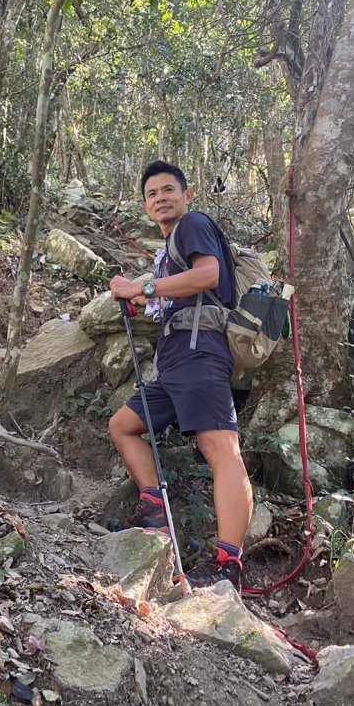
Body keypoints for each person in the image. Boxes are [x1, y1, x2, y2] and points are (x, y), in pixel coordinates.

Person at [108, 160, 253, 592]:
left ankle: (229, 563)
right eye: (152, 194)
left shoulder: (192, 224)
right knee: (124, 426)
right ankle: (154, 506)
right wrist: (144, 301)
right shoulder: (169, 251)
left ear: (187, 195)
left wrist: (143, 287)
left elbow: (209, 275)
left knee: (220, 448)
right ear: (145, 205)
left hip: (200, 352)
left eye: (169, 189)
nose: (161, 198)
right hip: (175, 358)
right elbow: (178, 294)